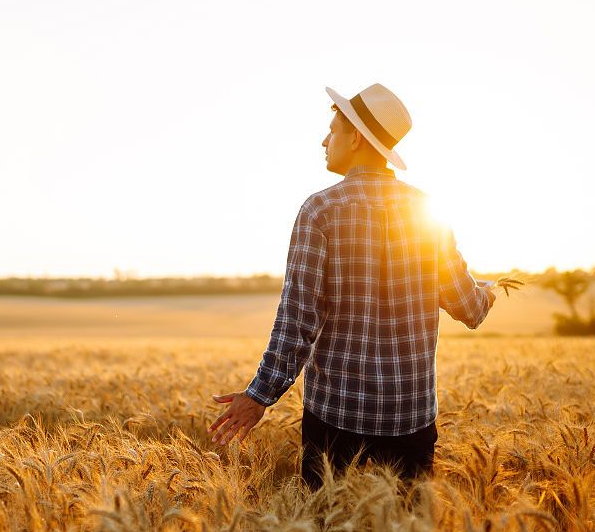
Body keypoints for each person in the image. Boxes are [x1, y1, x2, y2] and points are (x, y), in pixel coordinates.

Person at [207, 83, 495, 490]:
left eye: (333, 130)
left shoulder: (320, 211)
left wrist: (259, 396)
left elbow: (298, 320)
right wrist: (489, 290)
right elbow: (469, 307)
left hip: (335, 423)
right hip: (410, 420)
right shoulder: (428, 211)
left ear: (357, 137)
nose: (324, 141)